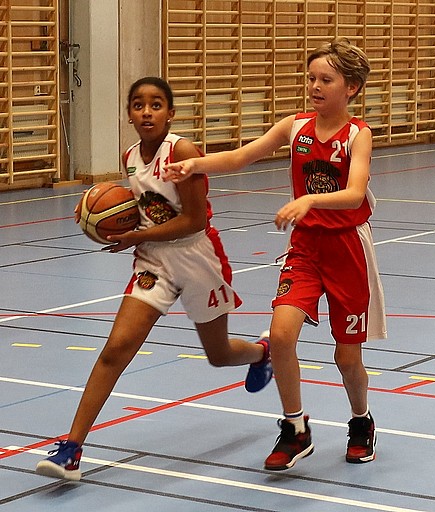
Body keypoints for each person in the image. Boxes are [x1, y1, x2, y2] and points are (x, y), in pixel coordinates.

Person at [164, 38, 387, 469]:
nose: (315, 86)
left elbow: (355, 192)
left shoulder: (358, 135)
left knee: (347, 358)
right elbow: (241, 157)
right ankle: (295, 428)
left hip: (348, 251)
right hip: (305, 248)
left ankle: (361, 420)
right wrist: (195, 165)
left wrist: (310, 200)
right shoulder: (295, 126)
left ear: (352, 87)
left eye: (326, 80)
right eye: (311, 78)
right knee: (281, 337)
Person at [35, 77, 272, 481]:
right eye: (138, 105)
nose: (147, 112)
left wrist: (134, 236)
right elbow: (141, 203)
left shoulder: (182, 151)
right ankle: (71, 449)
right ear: (129, 114)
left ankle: (262, 353)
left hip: (199, 257)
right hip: (153, 262)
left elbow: (193, 220)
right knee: (115, 350)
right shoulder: (130, 156)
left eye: (156, 104)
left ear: (170, 113)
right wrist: (95, 212)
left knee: (218, 355)